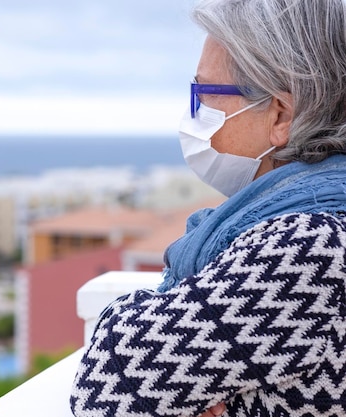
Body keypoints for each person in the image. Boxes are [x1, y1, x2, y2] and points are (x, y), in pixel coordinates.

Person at [70, 0, 346, 416]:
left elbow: (109, 383)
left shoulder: (309, 245)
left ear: (280, 115)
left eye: (205, 94)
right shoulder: (292, 219)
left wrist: (133, 323)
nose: (193, 114)